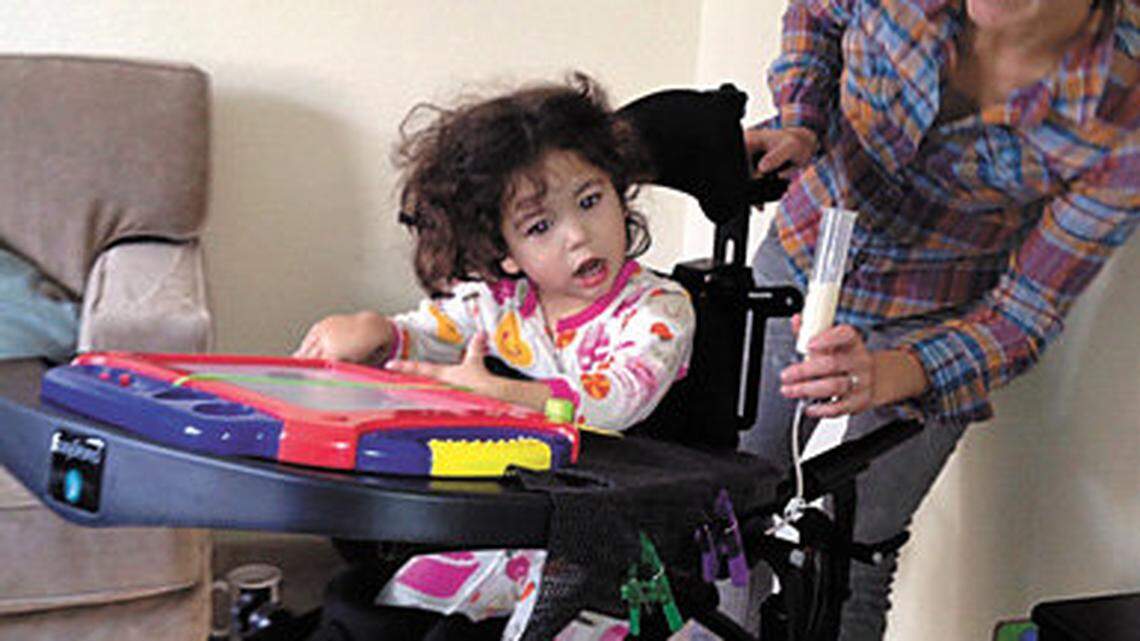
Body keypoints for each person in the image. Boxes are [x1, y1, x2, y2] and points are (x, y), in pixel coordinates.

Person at [741, 0, 1138, 639]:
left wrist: (897, 373)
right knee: (724, 527)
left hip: (941, 329)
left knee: (856, 561)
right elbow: (814, 14)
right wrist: (800, 120)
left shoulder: (1124, 105)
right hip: (798, 264)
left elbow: (1025, 313)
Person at [294, 74, 696, 640]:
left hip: (612, 533)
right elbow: (427, 334)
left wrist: (502, 395)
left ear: (618, 190)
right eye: (540, 226)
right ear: (505, 252)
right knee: (391, 606)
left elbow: (616, 401)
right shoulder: (503, 302)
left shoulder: (657, 309)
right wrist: (376, 332)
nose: (578, 235)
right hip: (518, 520)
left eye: (590, 201)